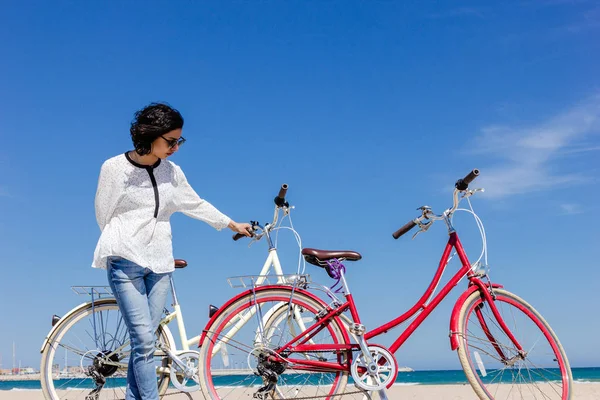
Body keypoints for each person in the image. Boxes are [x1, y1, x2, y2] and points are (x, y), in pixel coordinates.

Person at [92, 102, 251, 399]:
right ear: (149, 134)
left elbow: (195, 203)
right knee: (142, 340)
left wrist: (231, 223)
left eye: (180, 141)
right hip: (125, 259)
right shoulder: (113, 168)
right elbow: (103, 213)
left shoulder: (172, 172)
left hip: (160, 263)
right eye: (171, 141)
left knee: (146, 343)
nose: (176, 147)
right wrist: (123, 239)